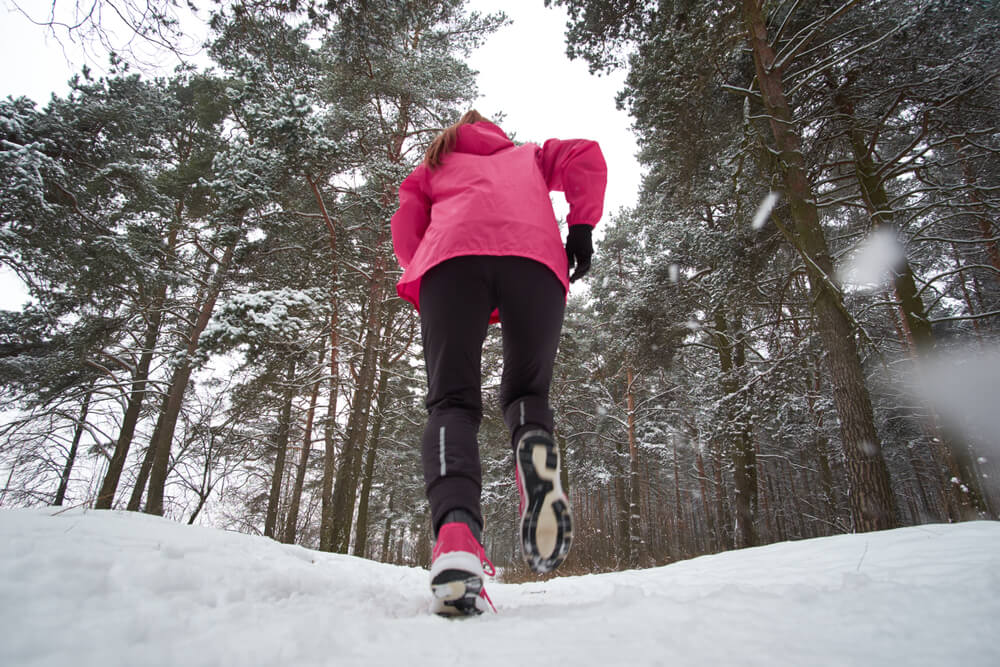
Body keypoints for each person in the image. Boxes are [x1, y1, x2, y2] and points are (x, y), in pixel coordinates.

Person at [390, 110, 607, 615]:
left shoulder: (435, 166)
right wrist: (580, 228)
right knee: (528, 394)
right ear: (495, 133)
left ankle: (457, 536)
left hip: (451, 260)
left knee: (452, 402)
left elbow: (407, 223)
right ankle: (534, 454)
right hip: (535, 259)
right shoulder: (525, 155)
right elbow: (584, 154)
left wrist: (423, 269)